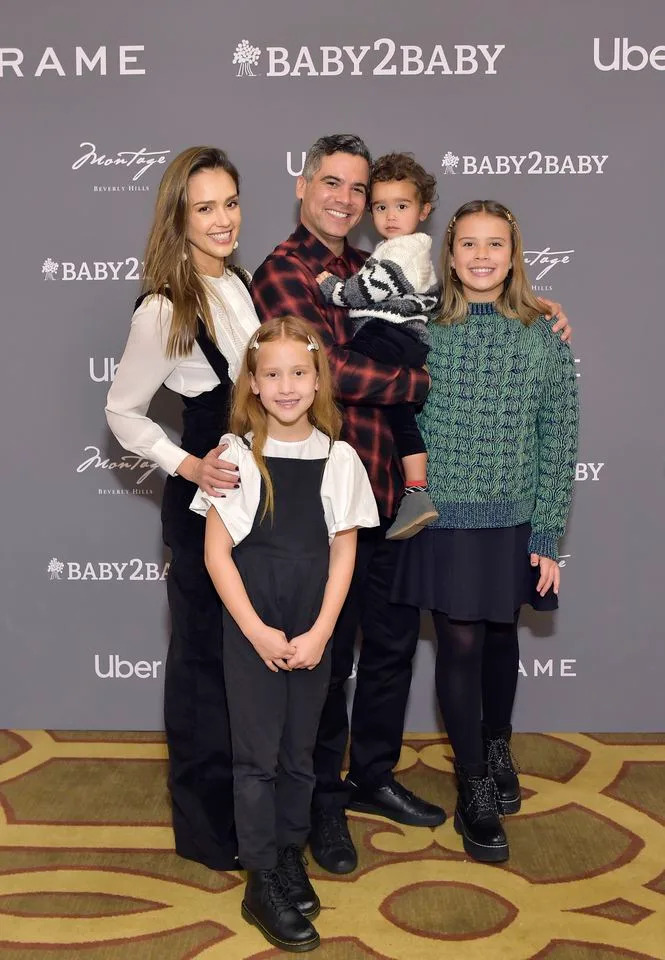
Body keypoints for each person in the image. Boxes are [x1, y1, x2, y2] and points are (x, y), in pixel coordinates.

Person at [251, 134, 572, 876]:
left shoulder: (372, 269)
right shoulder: (287, 270)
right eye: (330, 183)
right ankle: (321, 808)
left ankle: (370, 776)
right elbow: (325, 370)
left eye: (358, 190)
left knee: (391, 649)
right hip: (328, 496)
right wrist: (420, 381)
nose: (345, 199)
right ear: (303, 186)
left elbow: (449, 311)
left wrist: (535, 306)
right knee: (330, 660)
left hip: (393, 499)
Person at [392, 200, 579, 863]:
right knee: (460, 645)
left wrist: (546, 535)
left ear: (512, 253)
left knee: (501, 639)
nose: (479, 255)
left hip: (515, 521)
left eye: (493, 244)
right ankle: (470, 781)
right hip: (444, 521)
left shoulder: (540, 336)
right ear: (448, 254)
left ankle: (497, 745)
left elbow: (558, 439)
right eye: (466, 243)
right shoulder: (420, 331)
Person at [191, 316, 378, 952]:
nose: (287, 385)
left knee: (301, 753)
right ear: (252, 382)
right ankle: (259, 875)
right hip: (255, 623)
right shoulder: (236, 455)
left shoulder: (341, 456)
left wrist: (324, 631)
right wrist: (256, 632)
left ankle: (289, 852)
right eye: (271, 374)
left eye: (299, 372)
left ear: (318, 378)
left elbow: (344, 551)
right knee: (257, 757)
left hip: (312, 624)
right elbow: (218, 555)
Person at [105, 146, 259, 870]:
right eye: (206, 207)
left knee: (244, 662)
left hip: (257, 503)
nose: (223, 219)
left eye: (229, 202)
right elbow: (123, 412)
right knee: (202, 667)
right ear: (179, 216)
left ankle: (247, 809)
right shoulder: (166, 305)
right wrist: (187, 462)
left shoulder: (241, 282)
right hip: (204, 507)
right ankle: (205, 833)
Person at [317, 152, 440, 541]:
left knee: (340, 366)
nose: (390, 216)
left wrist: (332, 289)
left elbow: (369, 288)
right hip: (404, 339)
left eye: (401, 206)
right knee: (400, 415)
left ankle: (414, 489)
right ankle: (417, 487)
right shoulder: (398, 247)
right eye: (381, 207)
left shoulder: (401, 250)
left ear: (424, 209)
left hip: (392, 336)